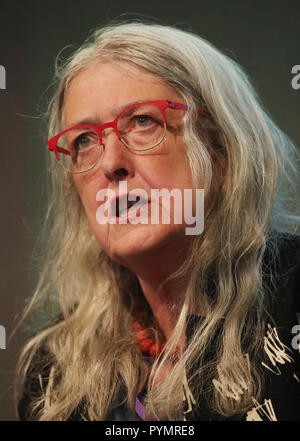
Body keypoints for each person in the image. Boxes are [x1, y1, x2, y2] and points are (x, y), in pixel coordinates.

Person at [16, 21, 300, 421]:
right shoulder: (53, 371)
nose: (111, 163)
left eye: (143, 121)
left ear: (221, 151)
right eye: (83, 140)